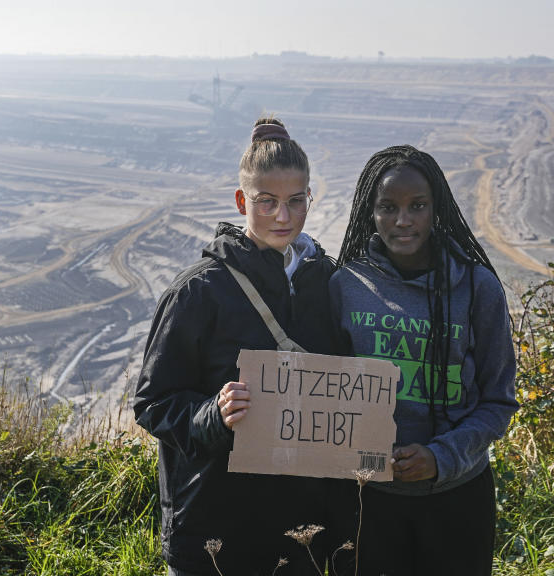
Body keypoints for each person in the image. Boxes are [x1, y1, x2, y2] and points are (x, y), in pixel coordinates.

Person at [134, 118, 343, 576]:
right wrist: (214, 415)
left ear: (310, 198)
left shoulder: (327, 285)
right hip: (214, 532)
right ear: (241, 200)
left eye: (295, 202)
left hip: (298, 535)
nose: (282, 217)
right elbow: (152, 402)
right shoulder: (198, 292)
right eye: (266, 202)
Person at [329, 144, 519, 576]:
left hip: (458, 498)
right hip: (367, 501)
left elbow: (498, 401)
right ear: (369, 212)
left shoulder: (477, 287)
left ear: (437, 209)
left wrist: (441, 457)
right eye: (388, 207)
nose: (403, 220)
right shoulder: (345, 285)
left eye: (417, 206)